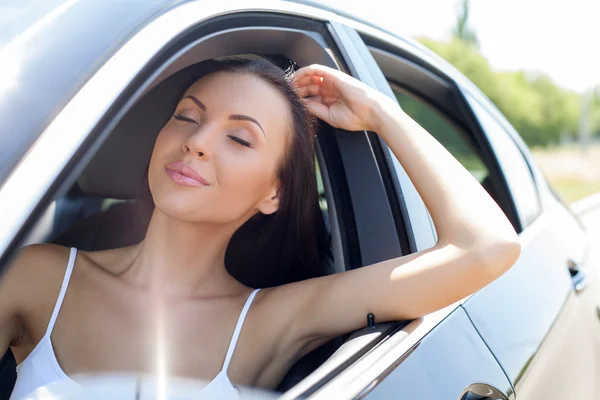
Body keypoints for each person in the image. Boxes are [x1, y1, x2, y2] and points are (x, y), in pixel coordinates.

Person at [0, 58, 520, 399]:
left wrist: (382, 113)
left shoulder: (270, 321)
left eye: (241, 139)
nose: (198, 141)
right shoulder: (39, 276)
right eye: (187, 116)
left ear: (273, 193)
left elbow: (487, 247)